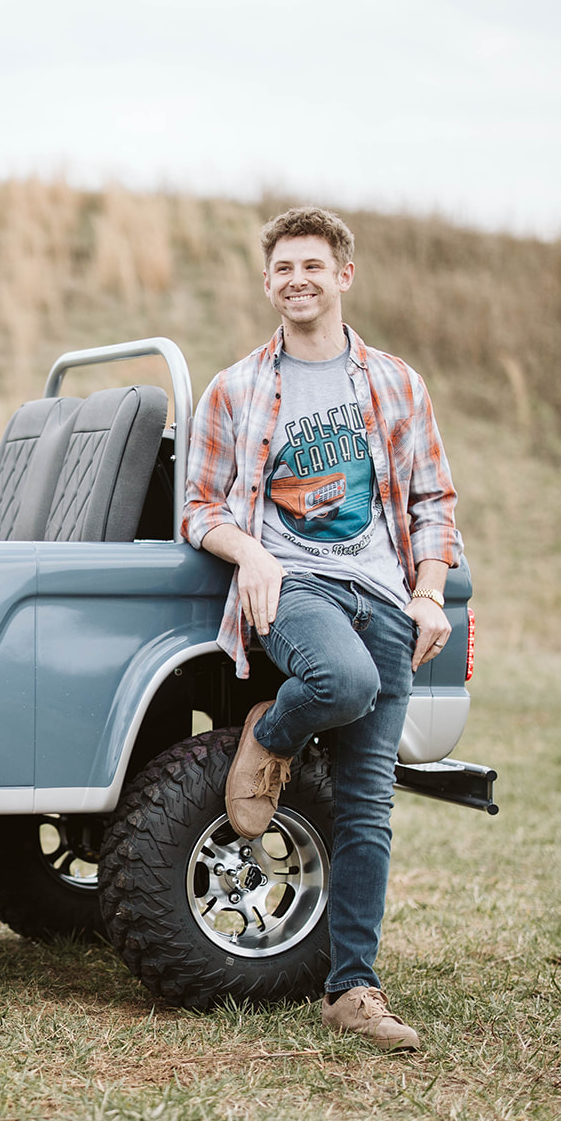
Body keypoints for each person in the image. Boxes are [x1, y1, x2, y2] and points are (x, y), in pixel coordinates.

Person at [182, 206, 463, 1050]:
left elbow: (433, 502)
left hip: (385, 595)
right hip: (294, 586)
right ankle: (270, 732)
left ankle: (352, 989)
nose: (296, 280)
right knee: (344, 682)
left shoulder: (395, 384)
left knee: (368, 807)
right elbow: (197, 508)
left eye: (313, 265)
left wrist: (430, 592)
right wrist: (253, 558)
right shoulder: (234, 388)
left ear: (344, 275)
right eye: (282, 269)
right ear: (267, 283)